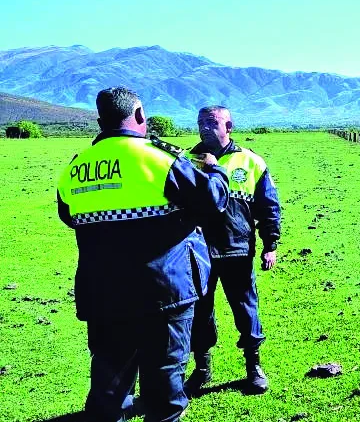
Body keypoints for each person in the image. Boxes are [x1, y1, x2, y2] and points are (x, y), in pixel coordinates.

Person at [57, 87, 228, 422]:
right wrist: (216, 170)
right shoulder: (159, 159)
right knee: (164, 392)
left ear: (100, 122)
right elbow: (213, 201)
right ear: (138, 115)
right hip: (163, 293)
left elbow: (69, 216)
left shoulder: (76, 168)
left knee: (109, 389)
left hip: (102, 295)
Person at [185, 106, 282, 395]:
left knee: (246, 308)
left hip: (237, 248)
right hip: (197, 252)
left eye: (212, 122)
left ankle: (254, 367)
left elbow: (269, 206)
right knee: (199, 311)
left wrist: (270, 245)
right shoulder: (187, 161)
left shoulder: (251, 161)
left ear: (229, 126)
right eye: (201, 122)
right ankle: (202, 369)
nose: (205, 127)